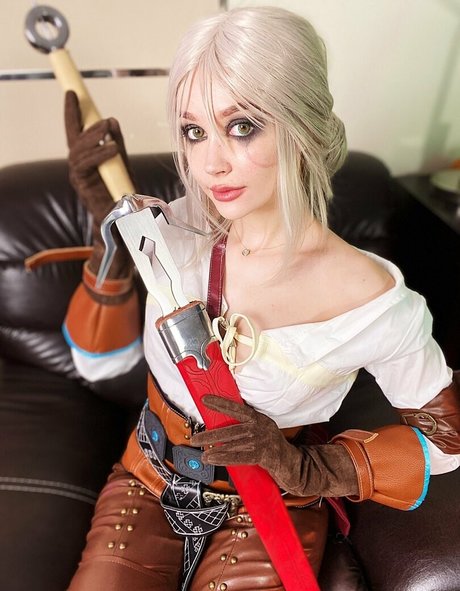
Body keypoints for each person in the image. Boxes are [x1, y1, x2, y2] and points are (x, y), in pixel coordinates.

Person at [62, 6, 459, 590]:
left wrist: (307, 468)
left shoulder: (371, 298)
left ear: (302, 125)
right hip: (148, 475)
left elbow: (447, 440)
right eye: (194, 131)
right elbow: (97, 364)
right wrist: (112, 245)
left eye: (242, 126)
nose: (211, 163)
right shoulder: (165, 235)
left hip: (269, 500)